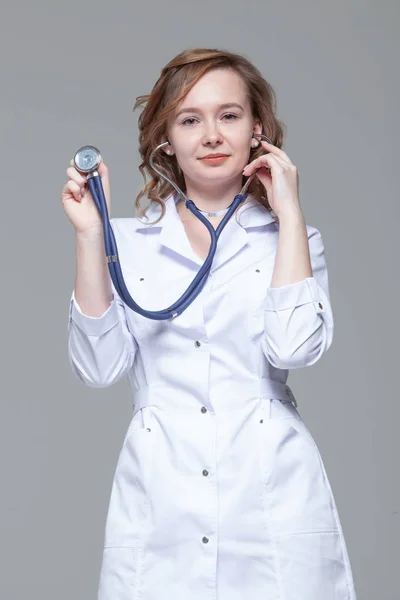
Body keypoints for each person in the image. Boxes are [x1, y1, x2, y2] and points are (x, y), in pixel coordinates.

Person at [62, 48, 357, 600]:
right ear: (166, 140)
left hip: (270, 490)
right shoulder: (122, 242)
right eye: (190, 119)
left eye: (229, 115)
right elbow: (99, 369)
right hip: (162, 494)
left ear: (257, 129)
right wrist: (88, 236)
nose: (212, 135)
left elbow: (294, 348)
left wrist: (288, 210)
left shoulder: (295, 241)